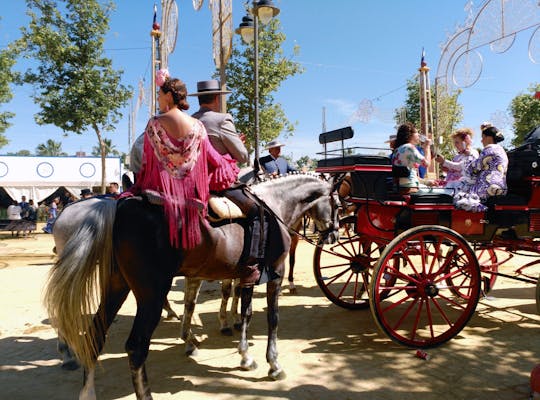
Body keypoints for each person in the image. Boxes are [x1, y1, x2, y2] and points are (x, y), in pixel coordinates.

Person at [126, 70, 238, 251]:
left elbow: (146, 163)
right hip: (192, 196)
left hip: (159, 192)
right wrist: (229, 161)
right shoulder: (198, 126)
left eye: (159, 95)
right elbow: (213, 158)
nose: (158, 100)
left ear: (169, 96)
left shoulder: (154, 123)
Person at [189, 79, 281, 284]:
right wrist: (236, 144)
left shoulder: (190, 120)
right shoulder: (223, 119)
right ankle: (251, 267)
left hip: (193, 182)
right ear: (216, 98)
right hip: (218, 182)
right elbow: (242, 156)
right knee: (261, 212)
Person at [454, 124, 508, 212]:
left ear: (489, 138)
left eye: (483, 137)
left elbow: (474, 168)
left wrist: (467, 165)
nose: (481, 140)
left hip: (487, 187)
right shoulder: (501, 150)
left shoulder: (489, 149)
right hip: (500, 186)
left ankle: (481, 209)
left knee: (459, 195)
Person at [392, 122, 432, 193]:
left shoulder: (397, 150)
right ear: (410, 135)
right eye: (417, 133)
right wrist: (427, 147)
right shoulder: (409, 147)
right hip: (410, 189)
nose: (419, 135)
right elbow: (427, 164)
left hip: (400, 188)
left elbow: (409, 175)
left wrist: (427, 182)